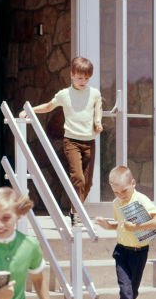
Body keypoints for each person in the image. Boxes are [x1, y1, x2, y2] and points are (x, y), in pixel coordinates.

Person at [95, 167, 156, 299]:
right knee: (126, 292)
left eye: (124, 191)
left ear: (133, 183)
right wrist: (108, 225)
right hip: (122, 253)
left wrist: (138, 227)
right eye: (116, 192)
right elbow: (121, 226)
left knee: (132, 293)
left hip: (140, 252)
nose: (121, 196)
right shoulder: (116, 203)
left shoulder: (141, 200)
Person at [26, 56, 102, 220]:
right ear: (72, 75)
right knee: (78, 178)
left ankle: (75, 211)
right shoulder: (64, 94)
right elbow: (48, 106)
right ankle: (78, 214)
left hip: (89, 142)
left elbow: (98, 110)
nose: (83, 81)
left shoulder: (94, 94)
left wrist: (98, 122)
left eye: (87, 78)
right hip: (71, 142)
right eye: (80, 77)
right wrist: (30, 110)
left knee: (88, 183)